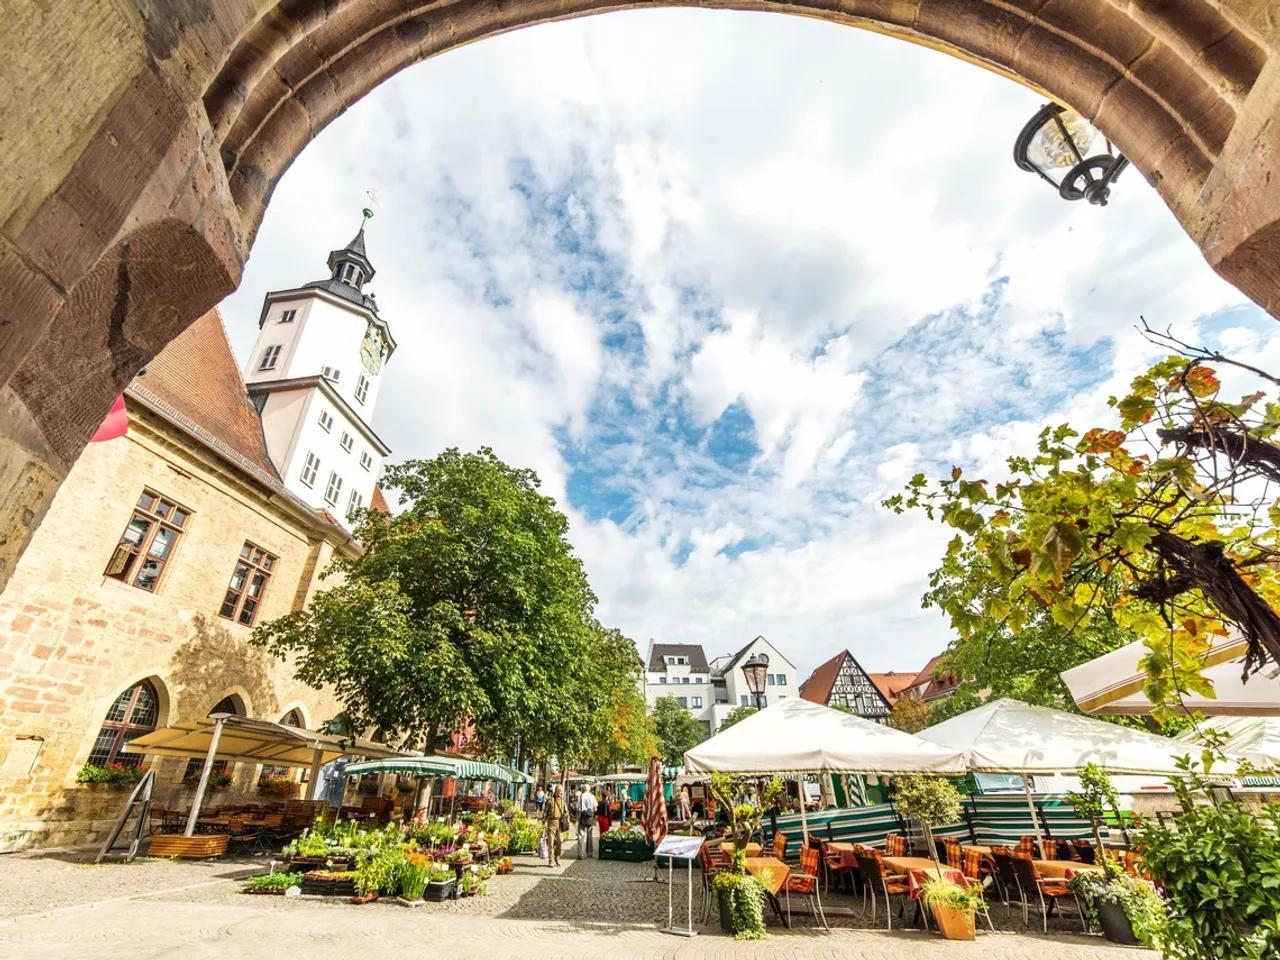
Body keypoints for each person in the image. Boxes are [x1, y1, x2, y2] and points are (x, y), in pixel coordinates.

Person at [543, 784, 567, 867]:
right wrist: (544, 822)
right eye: (560, 792)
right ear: (556, 791)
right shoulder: (550, 800)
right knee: (551, 842)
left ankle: (557, 856)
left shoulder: (562, 801)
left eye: (562, 792)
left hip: (559, 823)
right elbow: (545, 812)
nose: (561, 794)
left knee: (560, 840)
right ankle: (551, 860)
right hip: (551, 822)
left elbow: (566, 812)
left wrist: (566, 818)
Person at [578, 784, 598, 858]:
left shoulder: (581, 796)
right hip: (590, 818)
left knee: (581, 835)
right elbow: (595, 809)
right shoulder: (592, 796)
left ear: (583, 789)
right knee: (590, 836)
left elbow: (578, 808)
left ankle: (581, 854)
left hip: (582, 817)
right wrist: (590, 812)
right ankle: (590, 853)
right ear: (589, 789)